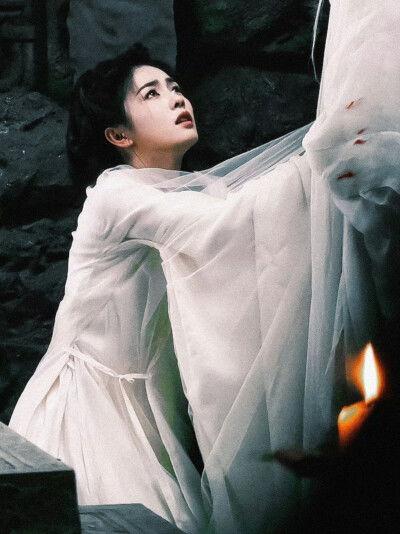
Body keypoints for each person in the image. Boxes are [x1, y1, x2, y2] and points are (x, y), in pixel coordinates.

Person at [9, 1, 400, 532]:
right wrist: (318, 157)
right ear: (118, 135)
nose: (176, 98)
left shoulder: (186, 193)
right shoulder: (114, 194)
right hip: (88, 410)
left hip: (144, 413)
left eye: (174, 87)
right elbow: (224, 225)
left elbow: (232, 233)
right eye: (151, 94)